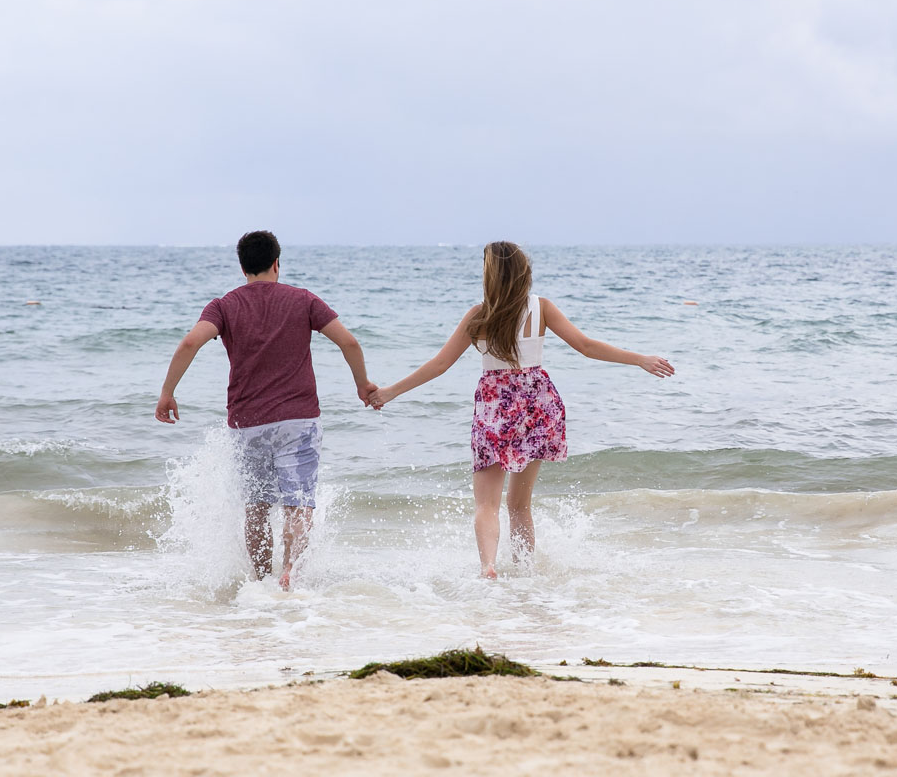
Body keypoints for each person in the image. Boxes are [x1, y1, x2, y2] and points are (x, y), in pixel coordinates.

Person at [368, 241, 674, 579]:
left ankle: (488, 566)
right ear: (523, 272)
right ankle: (525, 572)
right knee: (519, 504)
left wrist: (389, 393)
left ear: (490, 274)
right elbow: (586, 346)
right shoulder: (541, 308)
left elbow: (440, 364)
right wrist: (640, 359)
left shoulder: (478, 315)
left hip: (495, 407)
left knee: (487, 504)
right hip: (537, 406)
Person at [155, 230, 377, 590]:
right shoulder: (303, 300)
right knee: (299, 503)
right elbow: (349, 341)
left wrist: (167, 392)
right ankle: (290, 570)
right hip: (299, 420)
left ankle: (261, 581)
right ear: (277, 263)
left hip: (248, 424)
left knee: (256, 508)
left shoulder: (224, 306)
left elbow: (190, 341)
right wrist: (362, 385)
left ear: (242, 267)